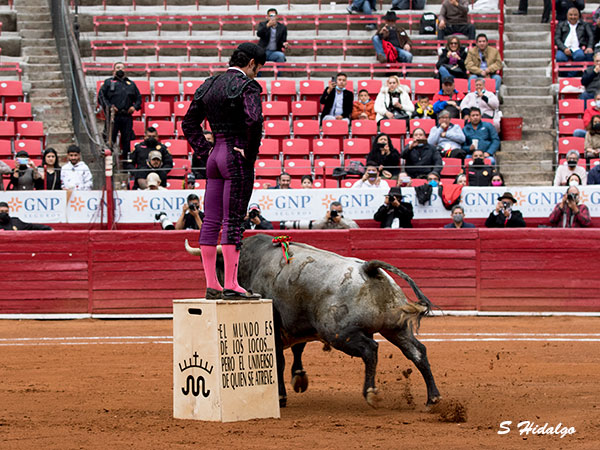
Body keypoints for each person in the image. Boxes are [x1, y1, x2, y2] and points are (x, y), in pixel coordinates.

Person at [182, 42, 266, 300]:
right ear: (251, 63)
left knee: (210, 220)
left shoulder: (208, 84)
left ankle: (212, 284)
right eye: (258, 69)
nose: (257, 74)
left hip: (214, 157)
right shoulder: (247, 86)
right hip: (235, 157)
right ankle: (231, 283)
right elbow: (254, 119)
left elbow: (188, 123)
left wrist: (204, 149)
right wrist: (250, 154)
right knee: (232, 220)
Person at [98, 61, 142, 159]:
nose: (120, 70)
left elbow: (139, 99)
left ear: (125, 70)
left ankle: (125, 162)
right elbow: (101, 97)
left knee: (126, 140)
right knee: (109, 139)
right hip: (113, 116)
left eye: (122, 68)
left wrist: (134, 107)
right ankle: (109, 161)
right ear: (113, 70)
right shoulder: (108, 82)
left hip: (126, 116)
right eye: (118, 68)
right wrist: (109, 107)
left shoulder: (131, 84)